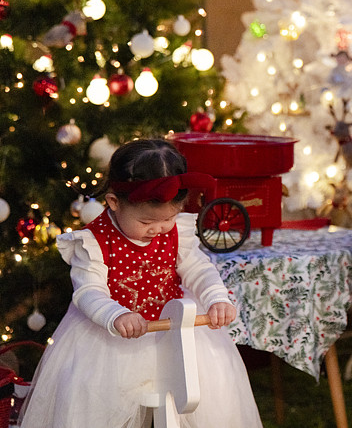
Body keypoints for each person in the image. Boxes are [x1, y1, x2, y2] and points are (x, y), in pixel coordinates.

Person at [20, 139, 262, 428]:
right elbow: (88, 291)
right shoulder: (93, 243)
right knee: (94, 401)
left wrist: (216, 298)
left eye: (169, 218)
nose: (159, 229)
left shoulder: (177, 232)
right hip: (112, 339)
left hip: (173, 332)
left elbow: (198, 267)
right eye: (147, 221)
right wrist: (116, 315)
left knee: (209, 388)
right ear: (114, 203)